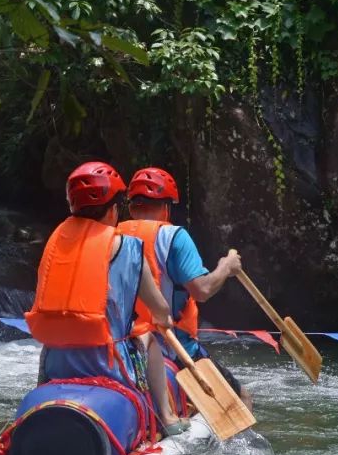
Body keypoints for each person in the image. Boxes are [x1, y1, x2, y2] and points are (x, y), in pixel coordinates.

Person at [26, 161, 189, 435]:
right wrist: (165, 320)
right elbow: (159, 308)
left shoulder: (55, 242)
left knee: (50, 343)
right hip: (106, 362)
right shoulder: (127, 247)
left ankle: (41, 393)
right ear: (114, 209)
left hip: (56, 361)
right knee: (148, 337)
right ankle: (167, 417)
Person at [117, 167, 252, 409]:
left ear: (131, 207)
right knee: (242, 398)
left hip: (125, 347)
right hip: (175, 349)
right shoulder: (173, 236)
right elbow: (202, 290)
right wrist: (226, 267)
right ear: (167, 207)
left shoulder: (113, 236)